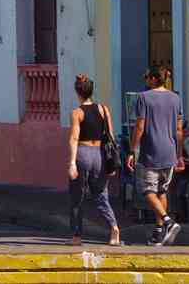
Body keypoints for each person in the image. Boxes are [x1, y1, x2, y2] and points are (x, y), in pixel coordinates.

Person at [126, 65, 184, 246]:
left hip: (151, 151)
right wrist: (179, 155)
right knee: (162, 191)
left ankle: (168, 221)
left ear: (152, 79)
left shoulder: (144, 98)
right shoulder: (176, 98)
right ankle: (158, 232)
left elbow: (140, 126)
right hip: (170, 152)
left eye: (146, 77)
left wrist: (132, 150)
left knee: (147, 190)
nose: (145, 80)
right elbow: (179, 130)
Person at [67, 74, 120, 247]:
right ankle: (113, 227)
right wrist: (112, 162)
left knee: (77, 196)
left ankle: (76, 236)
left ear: (77, 92)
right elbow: (111, 137)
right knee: (101, 194)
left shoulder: (77, 113)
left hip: (83, 154)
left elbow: (74, 138)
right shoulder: (104, 109)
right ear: (91, 91)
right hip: (100, 155)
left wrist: (72, 163)